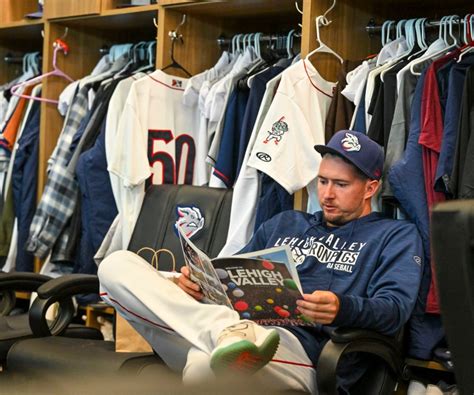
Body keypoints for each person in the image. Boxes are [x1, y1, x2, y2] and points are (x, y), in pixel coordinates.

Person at [98, 130, 423, 394]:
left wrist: (342, 307)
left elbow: (394, 309)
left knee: (205, 365)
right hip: (229, 329)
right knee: (117, 265)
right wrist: (196, 285)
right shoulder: (285, 224)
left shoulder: (394, 236)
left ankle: (228, 337)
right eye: (322, 181)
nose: (326, 194)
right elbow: (231, 277)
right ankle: (225, 333)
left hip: (297, 352)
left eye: (340, 184)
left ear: (371, 187)